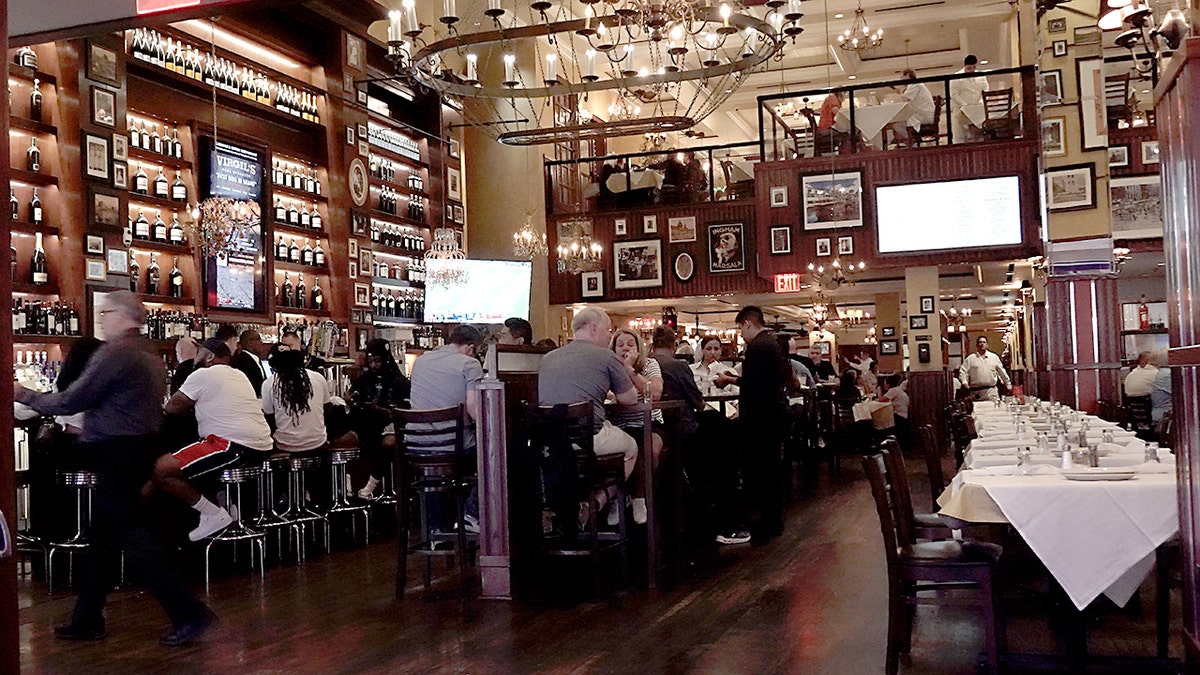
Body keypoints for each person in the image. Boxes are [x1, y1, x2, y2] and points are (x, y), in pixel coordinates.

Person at [14, 291, 213, 646]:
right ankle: (87, 618)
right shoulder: (148, 355)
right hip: (140, 449)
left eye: (106, 314)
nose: (102, 320)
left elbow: (71, 399)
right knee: (103, 538)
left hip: (115, 452)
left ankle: (188, 611)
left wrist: (22, 393)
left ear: (122, 316)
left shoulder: (115, 353)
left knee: (131, 537)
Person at [155, 339, 275, 541]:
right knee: (202, 467)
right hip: (262, 445)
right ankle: (229, 507)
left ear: (209, 356)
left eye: (200, 352)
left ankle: (212, 514)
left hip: (232, 445)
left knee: (161, 470)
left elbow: (173, 407)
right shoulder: (240, 375)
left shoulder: (203, 374)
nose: (196, 356)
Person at [538, 306, 639, 482]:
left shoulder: (548, 357)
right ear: (593, 328)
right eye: (608, 330)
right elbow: (630, 399)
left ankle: (584, 498)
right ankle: (602, 501)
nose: (609, 336)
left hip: (550, 438)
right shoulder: (607, 356)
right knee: (631, 448)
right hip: (589, 437)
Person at [735, 306, 792, 542]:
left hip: (762, 417)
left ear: (748, 323)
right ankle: (772, 519)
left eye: (740, 328)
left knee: (762, 469)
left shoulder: (759, 346)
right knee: (771, 468)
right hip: (773, 414)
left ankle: (766, 521)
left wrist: (731, 379)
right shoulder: (771, 344)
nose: (740, 334)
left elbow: (754, 384)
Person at [608, 327, 664, 525]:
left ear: (639, 348)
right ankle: (618, 498)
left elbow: (655, 392)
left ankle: (638, 497)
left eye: (630, 345)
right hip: (619, 424)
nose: (625, 349)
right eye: (620, 345)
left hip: (647, 422)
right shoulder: (609, 367)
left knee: (649, 448)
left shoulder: (650, 364)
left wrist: (630, 370)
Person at [351, 338, 411, 499]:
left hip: (392, 424)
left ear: (385, 359)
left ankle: (372, 485)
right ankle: (352, 484)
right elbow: (350, 394)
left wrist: (381, 409)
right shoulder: (365, 378)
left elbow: (404, 410)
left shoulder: (399, 382)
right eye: (370, 361)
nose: (373, 365)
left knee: (388, 443)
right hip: (367, 422)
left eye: (377, 361)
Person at [261, 348, 331, 453]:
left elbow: (269, 418)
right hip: (317, 442)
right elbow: (327, 409)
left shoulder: (269, 383)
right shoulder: (318, 378)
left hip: (284, 445)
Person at [958, 336, 1011, 401]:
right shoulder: (970, 359)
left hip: (991, 391)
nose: (982, 344)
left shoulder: (994, 357)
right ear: (977, 345)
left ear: (987, 345)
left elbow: (1002, 371)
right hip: (975, 392)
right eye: (980, 342)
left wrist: (1008, 383)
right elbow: (963, 372)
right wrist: (964, 382)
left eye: (984, 342)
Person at [949, 54, 989, 142]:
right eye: (969, 68)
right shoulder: (956, 77)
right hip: (961, 110)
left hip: (978, 109)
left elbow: (985, 92)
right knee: (961, 138)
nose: (972, 70)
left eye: (973, 68)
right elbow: (954, 94)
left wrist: (980, 102)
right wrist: (966, 105)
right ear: (965, 66)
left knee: (979, 137)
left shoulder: (981, 76)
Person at [893, 69, 935, 146]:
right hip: (926, 115)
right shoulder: (917, 84)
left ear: (907, 76)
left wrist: (899, 90)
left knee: (897, 125)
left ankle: (912, 142)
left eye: (902, 76)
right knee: (900, 123)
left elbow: (905, 100)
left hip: (924, 117)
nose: (900, 78)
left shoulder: (914, 85)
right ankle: (912, 140)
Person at [236, 329, 273, 395]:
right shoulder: (243, 361)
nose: (261, 342)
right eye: (258, 339)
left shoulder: (254, 359)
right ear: (250, 343)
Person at [880, 373, 910, 449]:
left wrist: (879, 391)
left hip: (899, 415)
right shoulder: (898, 389)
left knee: (882, 421)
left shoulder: (893, 390)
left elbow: (882, 400)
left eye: (885, 383)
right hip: (904, 415)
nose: (884, 385)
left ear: (888, 384)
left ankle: (884, 444)